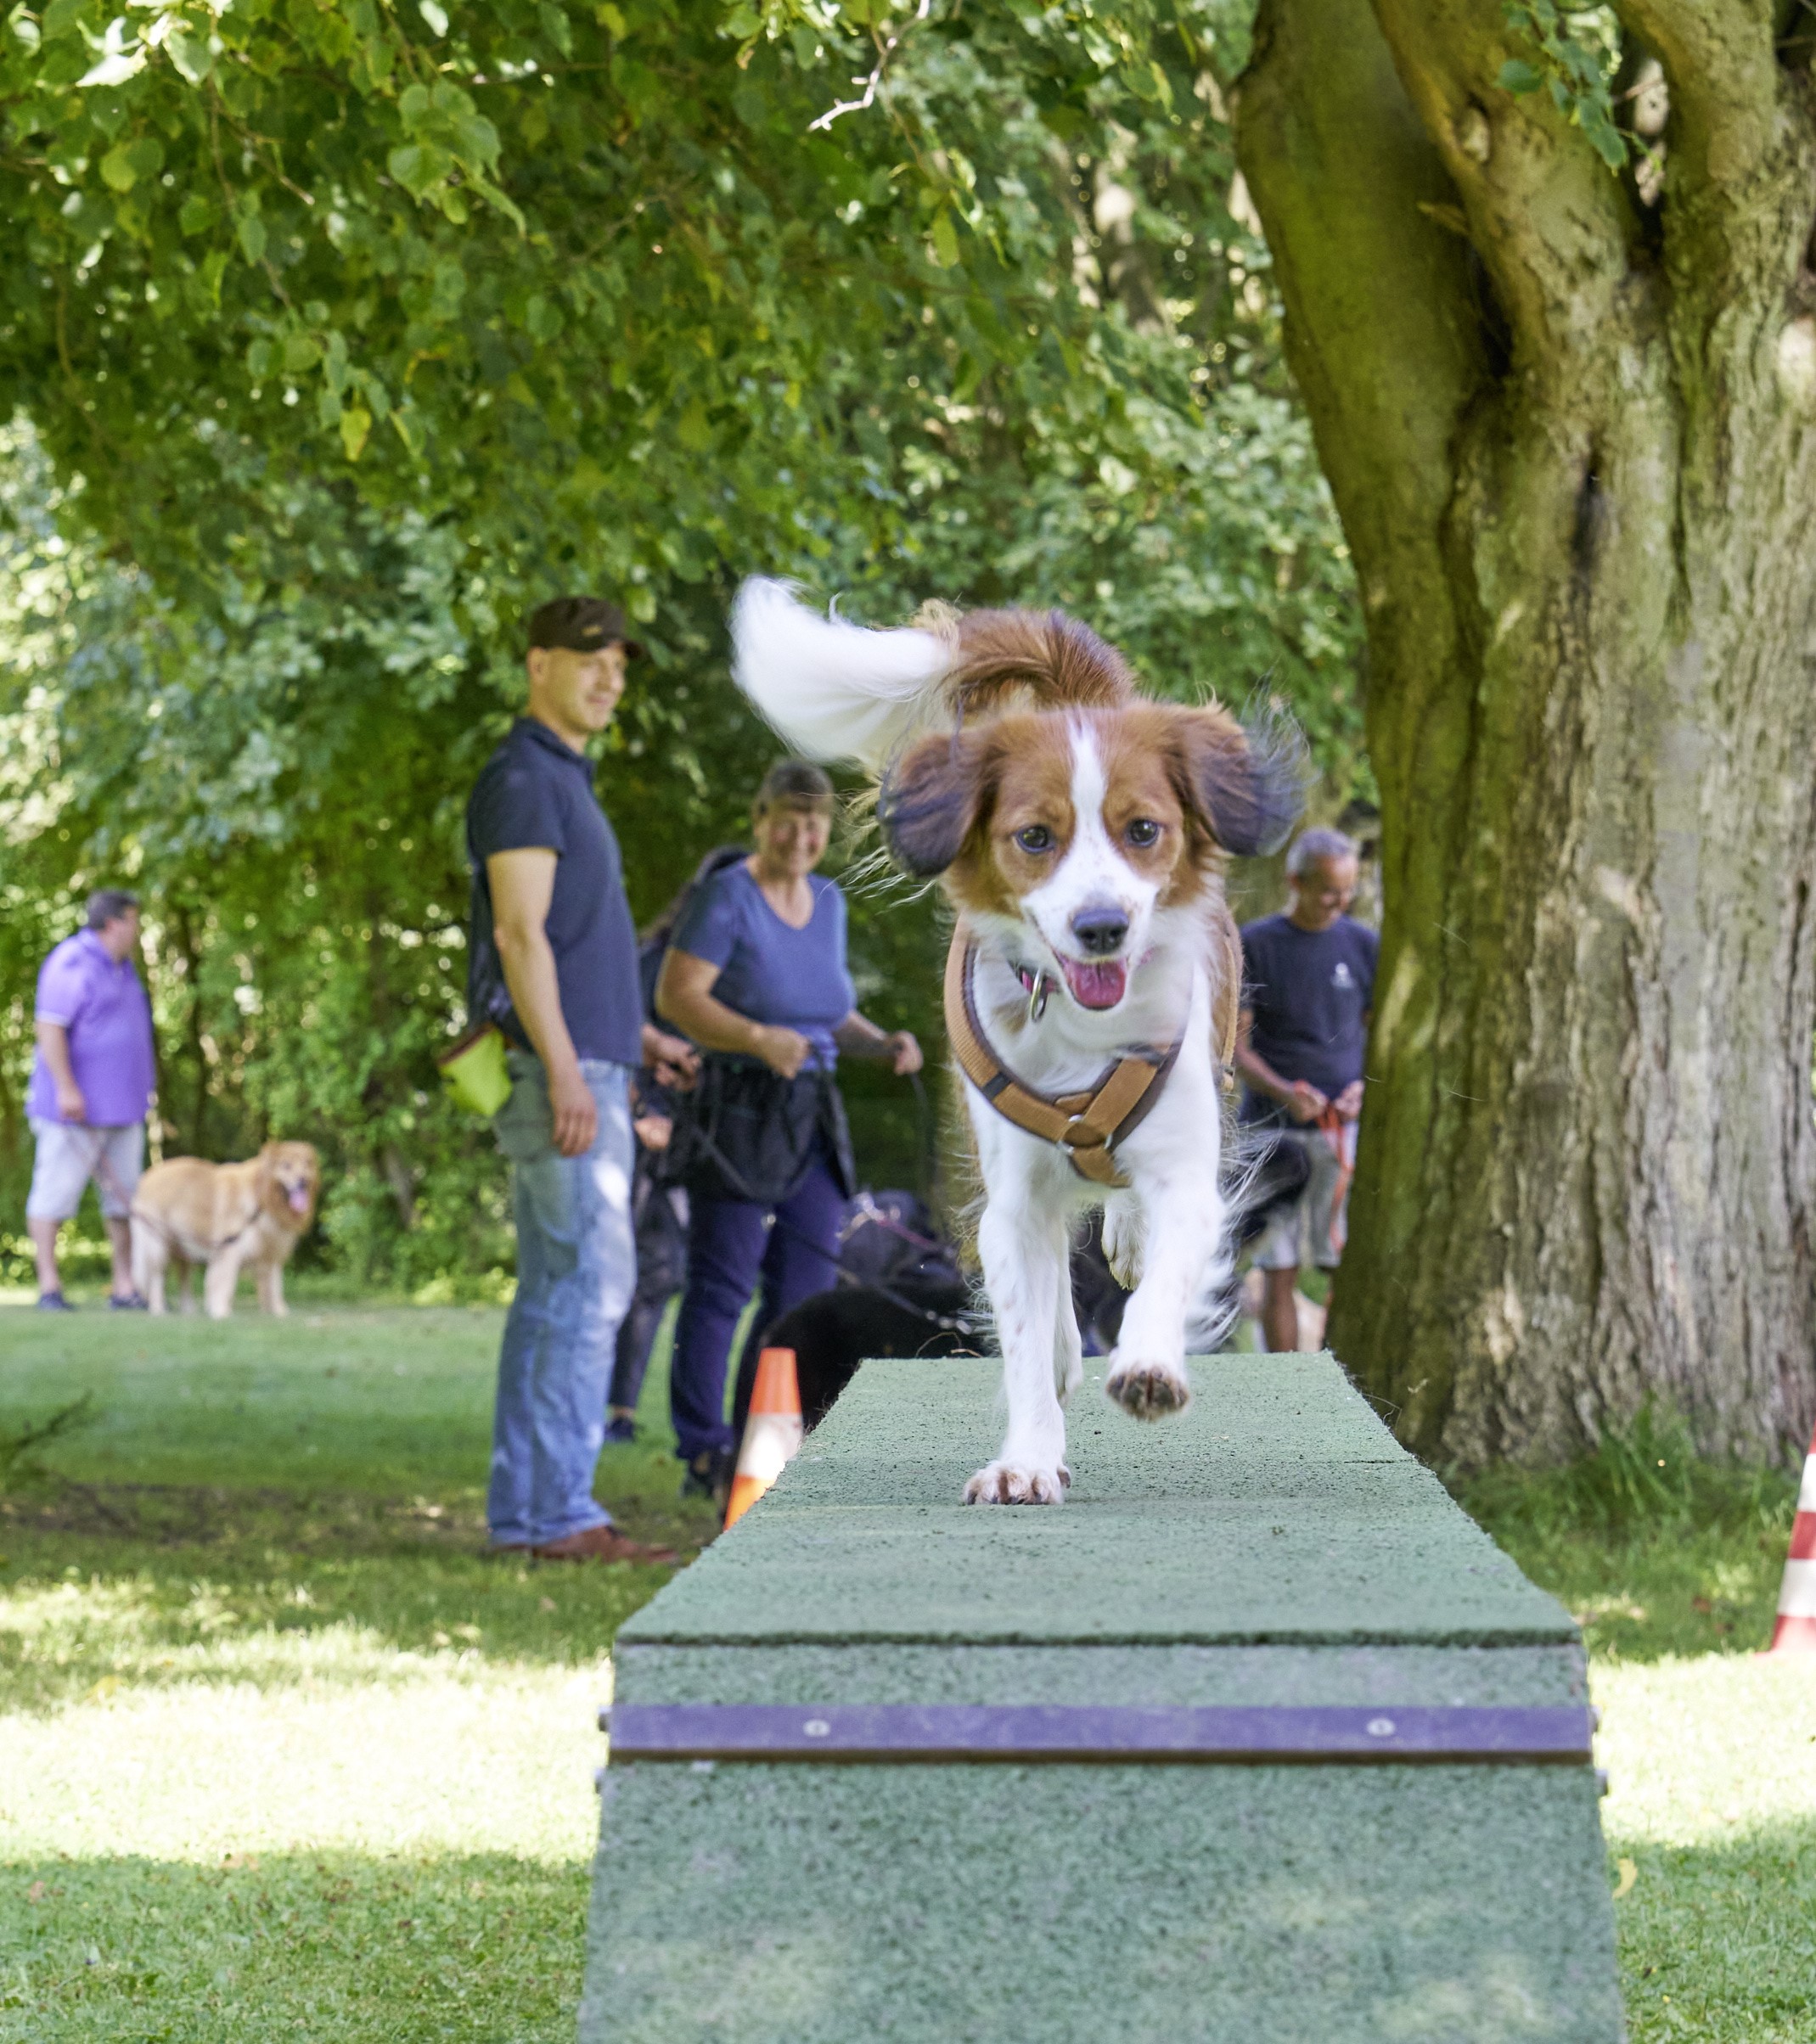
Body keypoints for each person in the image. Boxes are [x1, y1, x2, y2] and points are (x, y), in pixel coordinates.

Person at [465, 594, 697, 1564]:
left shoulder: (565, 777)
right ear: (537, 665)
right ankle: (557, 1513)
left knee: (556, 1292)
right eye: (589, 657)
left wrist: (635, 1032)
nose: (609, 676)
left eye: (620, 664)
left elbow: (568, 944)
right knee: (591, 1288)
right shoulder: (523, 779)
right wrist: (565, 1064)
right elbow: (518, 936)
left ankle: (530, 1512)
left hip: (597, 1059)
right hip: (561, 1073)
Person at [655, 758, 923, 1502]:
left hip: (811, 1110)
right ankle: (702, 1447)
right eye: (789, 817)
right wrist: (754, 1037)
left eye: (816, 822)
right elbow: (677, 996)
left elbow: (826, 1009)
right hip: (739, 1109)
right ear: (759, 818)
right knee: (723, 1282)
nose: (803, 834)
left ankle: (770, 1434)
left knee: (805, 1284)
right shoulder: (724, 898)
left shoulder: (829, 903)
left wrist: (879, 1042)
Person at [1234, 827, 1378, 1354]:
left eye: (1348, 890)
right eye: (1328, 890)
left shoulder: (1364, 945)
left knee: (1347, 1264)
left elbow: (1377, 1036)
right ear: (1294, 881)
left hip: (1344, 1132)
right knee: (1280, 1268)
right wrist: (1282, 1090)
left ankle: (1343, 1382)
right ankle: (1284, 1392)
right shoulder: (1255, 944)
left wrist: (1364, 1088)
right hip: (1274, 1138)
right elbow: (1234, 1047)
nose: (1340, 902)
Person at [25, 889, 157, 1311]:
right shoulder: (70, 963)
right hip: (74, 1111)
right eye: (133, 921)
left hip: (124, 1108)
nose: (137, 930)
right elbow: (50, 1028)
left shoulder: (125, 968)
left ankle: (125, 1286)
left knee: (124, 1202)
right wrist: (66, 1088)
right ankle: (49, 1287)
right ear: (114, 923)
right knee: (55, 1195)